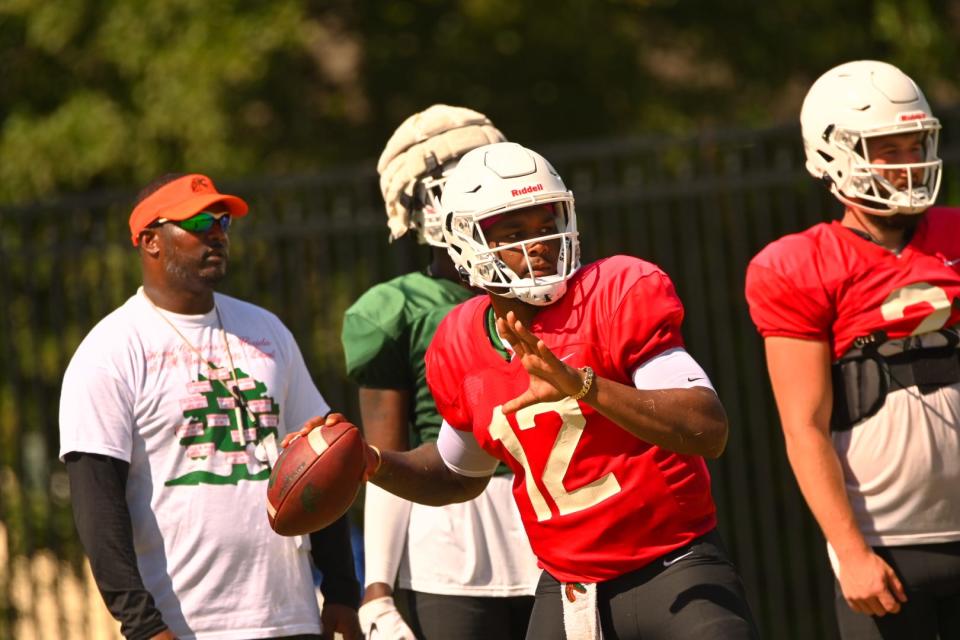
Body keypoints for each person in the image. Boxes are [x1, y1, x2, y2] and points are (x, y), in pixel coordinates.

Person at [295, 141, 758, 639]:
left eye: (545, 226)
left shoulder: (615, 291)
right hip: (568, 587)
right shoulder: (460, 339)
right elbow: (458, 474)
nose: (537, 244)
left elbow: (707, 427)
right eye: (513, 233)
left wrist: (584, 386)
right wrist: (372, 462)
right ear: (465, 244)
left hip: (674, 568)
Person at [59, 173, 362, 640]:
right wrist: (142, 626)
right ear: (149, 241)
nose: (216, 233)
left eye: (222, 221)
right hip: (185, 626)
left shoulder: (266, 330)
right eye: (198, 221)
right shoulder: (111, 350)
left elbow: (317, 462)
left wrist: (341, 589)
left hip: (291, 615)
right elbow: (98, 505)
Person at [745, 60, 960, 639]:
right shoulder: (797, 264)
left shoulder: (956, 235)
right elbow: (804, 427)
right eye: (887, 147)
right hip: (886, 545)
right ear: (833, 153)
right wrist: (849, 550)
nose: (909, 159)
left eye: (914, 142)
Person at [343, 105, 539, 640]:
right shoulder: (398, 308)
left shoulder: (546, 290)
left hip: (552, 525)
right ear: (419, 204)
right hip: (449, 543)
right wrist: (376, 587)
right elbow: (383, 460)